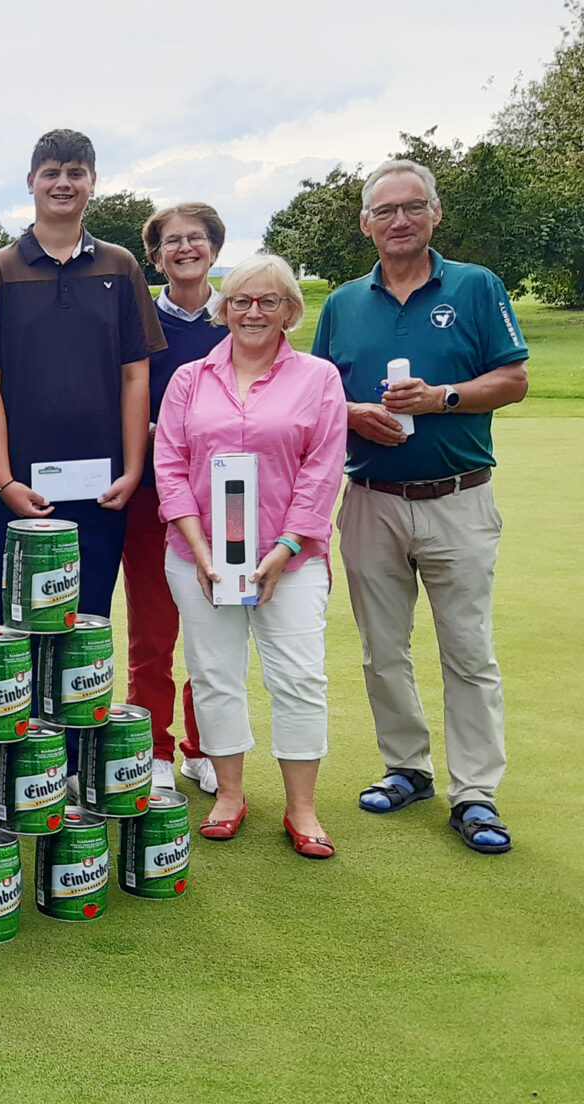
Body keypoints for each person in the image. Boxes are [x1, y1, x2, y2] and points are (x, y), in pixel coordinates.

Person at [311, 159, 529, 855]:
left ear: (435, 214)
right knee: (382, 650)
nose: (398, 221)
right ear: (366, 223)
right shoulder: (345, 303)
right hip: (371, 498)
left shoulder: (473, 286)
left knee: (467, 652)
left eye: (412, 207)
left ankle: (475, 792)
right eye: (385, 211)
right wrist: (353, 411)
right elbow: (315, 394)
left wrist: (444, 398)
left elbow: (514, 378)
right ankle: (407, 767)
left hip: (458, 497)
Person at [155, 253, 347, 858]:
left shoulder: (319, 378)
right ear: (224, 308)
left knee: (299, 678)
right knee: (214, 676)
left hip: (289, 561)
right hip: (198, 559)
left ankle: (302, 808)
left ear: (290, 310)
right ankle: (230, 796)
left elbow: (321, 471)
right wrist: (202, 550)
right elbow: (170, 466)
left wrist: (286, 547)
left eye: (269, 301)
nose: (254, 311)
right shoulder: (189, 378)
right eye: (241, 300)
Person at [0, 129, 165, 627]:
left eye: (75, 173)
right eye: (51, 173)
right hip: (12, 497)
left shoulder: (120, 267)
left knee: (83, 636)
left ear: (93, 182)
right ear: (31, 181)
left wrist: (134, 470)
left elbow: (135, 377)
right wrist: (6, 479)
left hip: (102, 494)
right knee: (12, 638)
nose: (63, 183)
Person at [128, 203, 227, 796]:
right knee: (152, 630)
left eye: (196, 239)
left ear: (214, 248)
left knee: (212, 629)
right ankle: (155, 752)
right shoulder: (140, 321)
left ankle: (205, 746)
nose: (185, 249)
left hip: (226, 500)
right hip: (154, 498)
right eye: (172, 241)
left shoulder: (238, 316)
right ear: (156, 255)